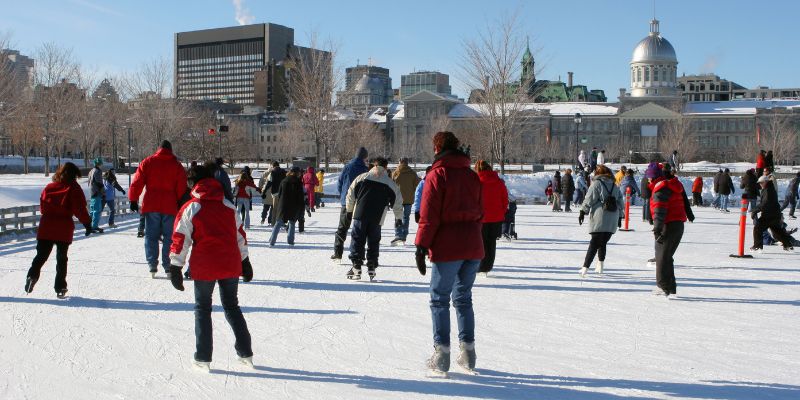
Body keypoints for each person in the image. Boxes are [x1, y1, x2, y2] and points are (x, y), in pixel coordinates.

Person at [168, 163, 254, 371]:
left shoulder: (191, 207)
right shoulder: (228, 205)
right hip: (229, 262)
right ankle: (246, 352)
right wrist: (245, 261)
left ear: (194, 184)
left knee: (203, 309)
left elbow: (181, 238)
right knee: (232, 307)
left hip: (205, 265)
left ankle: (203, 356)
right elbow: (239, 236)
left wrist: (175, 266)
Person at [414, 131, 483, 376]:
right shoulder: (471, 175)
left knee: (439, 299)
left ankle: (442, 355)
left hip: (448, 246)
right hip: (473, 245)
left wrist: (421, 246)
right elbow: (480, 210)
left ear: (437, 149)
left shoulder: (437, 174)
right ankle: (468, 354)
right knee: (463, 298)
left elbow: (429, 215)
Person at [25, 162, 93, 298]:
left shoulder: (49, 187)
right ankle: (60, 287)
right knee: (61, 259)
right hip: (63, 227)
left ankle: (32, 276)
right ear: (74, 175)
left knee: (41, 256)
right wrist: (87, 223)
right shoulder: (73, 188)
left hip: (46, 226)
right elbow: (79, 208)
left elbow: (42, 207)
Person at [128, 140, 188, 278]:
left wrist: (133, 199)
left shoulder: (147, 162)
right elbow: (181, 188)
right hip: (170, 206)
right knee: (169, 237)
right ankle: (167, 266)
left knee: (151, 236)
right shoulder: (177, 166)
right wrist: (180, 203)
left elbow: (137, 182)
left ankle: (152, 265)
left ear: (158, 149)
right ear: (170, 150)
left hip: (151, 205)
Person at [344, 157, 403, 280]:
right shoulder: (389, 183)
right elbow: (397, 201)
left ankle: (356, 266)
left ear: (373, 165)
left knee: (357, 239)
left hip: (360, 214)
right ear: (385, 167)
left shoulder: (362, 177)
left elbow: (350, 193)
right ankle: (371, 265)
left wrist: (349, 210)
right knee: (373, 241)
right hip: (377, 217)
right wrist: (398, 218)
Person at [650, 163, 694, 296]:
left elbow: (659, 210)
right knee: (666, 256)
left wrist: (657, 229)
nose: (649, 180)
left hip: (667, 225)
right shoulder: (674, 184)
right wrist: (689, 214)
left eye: (650, 177)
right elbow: (685, 199)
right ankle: (670, 287)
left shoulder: (661, 188)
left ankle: (663, 286)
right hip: (678, 224)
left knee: (661, 256)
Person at [578, 165, 624, 277]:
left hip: (600, 217)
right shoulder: (615, 185)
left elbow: (589, 198)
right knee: (602, 242)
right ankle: (600, 266)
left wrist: (583, 212)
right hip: (613, 217)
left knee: (594, 243)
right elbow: (621, 202)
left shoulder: (597, 184)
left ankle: (585, 267)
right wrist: (619, 217)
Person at [332, 147, 369, 262]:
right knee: (360, 230)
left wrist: (343, 195)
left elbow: (340, 183)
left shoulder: (347, 167)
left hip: (346, 203)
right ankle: (360, 255)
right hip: (360, 203)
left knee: (342, 228)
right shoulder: (365, 170)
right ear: (364, 157)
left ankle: (338, 254)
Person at [475, 160, 509, 276]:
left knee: (480, 243)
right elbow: (505, 200)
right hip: (496, 218)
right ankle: (488, 266)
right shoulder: (499, 182)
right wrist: (501, 212)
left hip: (481, 219)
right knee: (491, 243)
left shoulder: (476, 182)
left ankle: (481, 266)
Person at [751, 175, 795, 251]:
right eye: (759, 183)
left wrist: (755, 210)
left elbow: (765, 203)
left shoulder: (768, 190)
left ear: (766, 182)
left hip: (769, 215)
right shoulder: (768, 188)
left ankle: (757, 246)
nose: (760, 184)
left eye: (761, 183)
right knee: (777, 231)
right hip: (774, 214)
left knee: (757, 228)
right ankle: (788, 245)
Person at [269, 167, 305, 246]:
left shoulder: (284, 181)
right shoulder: (298, 182)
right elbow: (300, 196)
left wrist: (280, 203)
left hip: (283, 204)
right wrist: (302, 206)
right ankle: (290, 241)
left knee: (278, 223)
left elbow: (280, 194)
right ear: (297, 173)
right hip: (294, 205)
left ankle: (272, 241)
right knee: (292, 223)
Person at [391, 157, 421, 246]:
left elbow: (391, 186)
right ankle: (404, 235)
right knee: (406, 217)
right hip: (408, 199)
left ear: (400, 162)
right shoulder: (412, 173)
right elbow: (417, 185)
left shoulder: (395, 173)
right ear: (408, 163)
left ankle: (398, 235)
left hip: (397, 199)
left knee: (398, 217)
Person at [87, 157, 105, 233]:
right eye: (101, 164)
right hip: (97, 192)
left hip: (92, 192)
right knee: (97, 210)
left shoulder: (91, 171)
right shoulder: (98, 171)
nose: (102, 165)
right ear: (99, 164)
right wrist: (103, 192)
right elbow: (99, 183)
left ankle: (89, 226)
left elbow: (89, 182)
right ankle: (94, 226)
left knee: (92, 210)